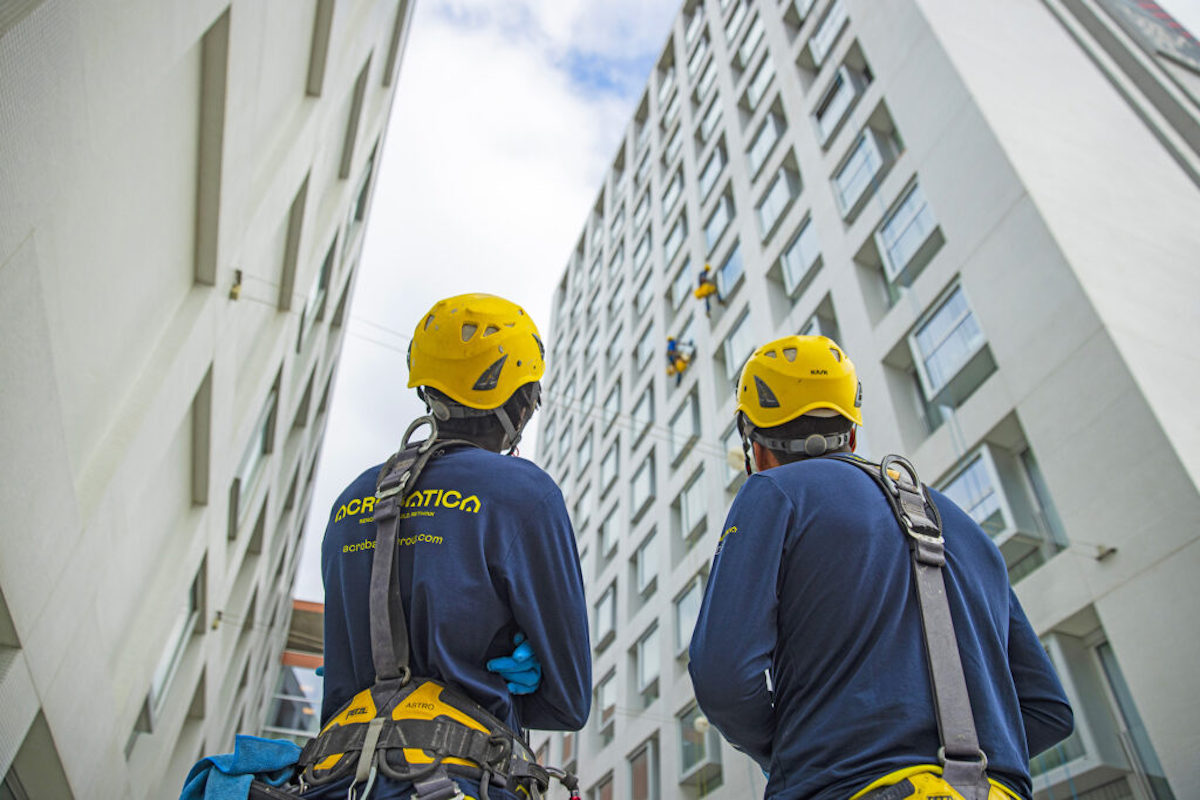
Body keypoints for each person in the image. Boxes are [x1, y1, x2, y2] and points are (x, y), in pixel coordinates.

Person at [688, 334, 1073, 800]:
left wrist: (800, 754)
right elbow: (1050, 710)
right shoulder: (965, 529)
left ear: (755, 446)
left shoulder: (774, 493)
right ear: (851, 432)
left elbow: (723, 679)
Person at [311, 293, 591, 800]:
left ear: (426, 390)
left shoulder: (351, 500)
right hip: (460, 781)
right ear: (522, 401)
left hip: (335, 781)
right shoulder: (522, 493)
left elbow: (339, 684)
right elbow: (569, 701)